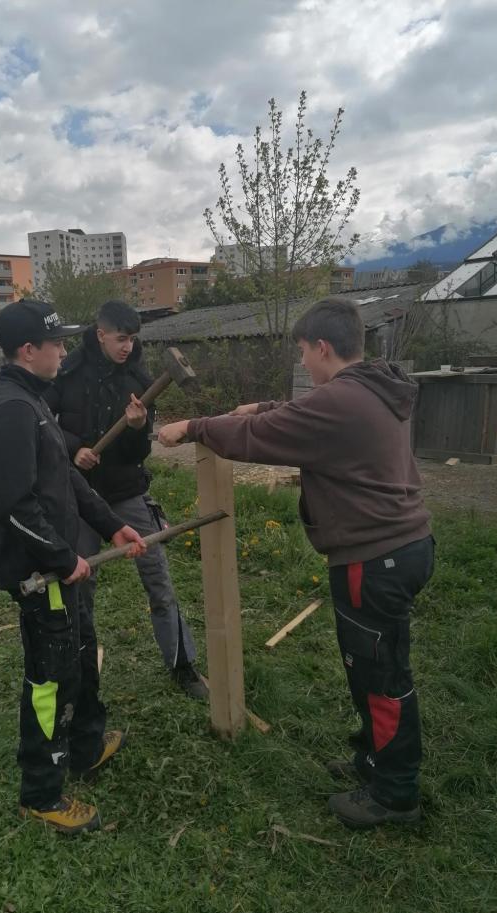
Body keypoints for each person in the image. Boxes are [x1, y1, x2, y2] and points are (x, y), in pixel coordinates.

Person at [158, 296, 434, 830]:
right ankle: (375, 762)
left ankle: (395, 795)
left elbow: (264, 437)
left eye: (304, 352)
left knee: (380, 677)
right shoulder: (372, 387)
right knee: (377, 666)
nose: (303, 362)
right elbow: (299, 418)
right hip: (404, 546)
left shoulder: (342, 402)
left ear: (323, 347)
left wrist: (193, 427)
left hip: (373, 559)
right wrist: (259, 408)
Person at [0, 298, 146, 836]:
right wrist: (62, 556)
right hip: (40, 574)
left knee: (79, 653)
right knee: (49, 680)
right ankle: (42, 792)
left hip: (61, 562)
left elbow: (68, 481)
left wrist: (109, 523)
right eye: (56, 343)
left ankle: (84, 747)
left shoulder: (35, 401)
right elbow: (15, 506)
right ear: (29, 351)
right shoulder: (10, 409)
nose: (64, 350)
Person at [45, 299, 208, 700]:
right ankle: (80, 667)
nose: (127, 346)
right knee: (81, 584)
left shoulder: (138, 375)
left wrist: (137, 429)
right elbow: (43, 422)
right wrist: (72, 448)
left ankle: (182, 664)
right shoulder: (66, 371)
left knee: (159, 579)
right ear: (101, 334)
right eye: (121, 338)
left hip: (125, 491)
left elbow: (139, 454)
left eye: (133, 339)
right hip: (81, 495)